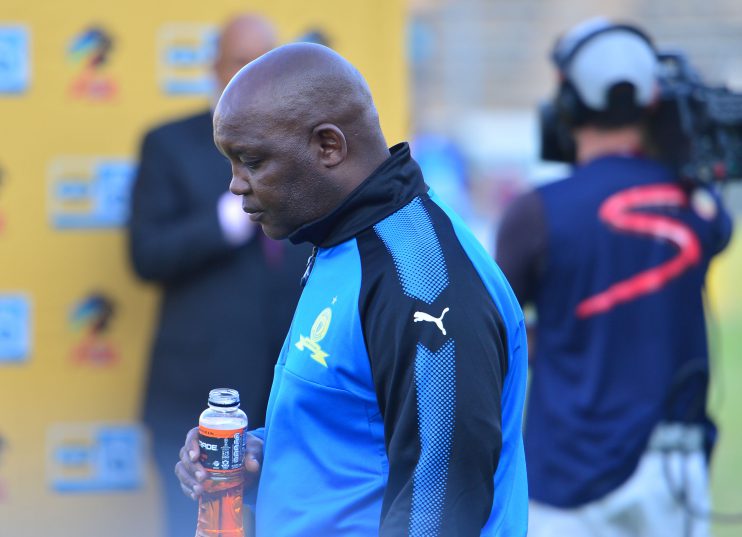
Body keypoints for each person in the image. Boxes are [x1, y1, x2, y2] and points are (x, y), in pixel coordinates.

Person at [174, 42, 529, 536]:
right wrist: (261, 455)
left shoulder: (422, 284)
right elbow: (360, 435)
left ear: (328, 146)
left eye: (251, 160)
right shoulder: (341, 240)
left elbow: (438, 514)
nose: (235, 185)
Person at [496, 18, 734, 537]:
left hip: (565, 475)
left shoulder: (536, 212)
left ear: (567, 104)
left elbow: (492, 327)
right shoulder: (699, 208)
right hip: (674, 472)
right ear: (652, 102)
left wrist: (551, 340)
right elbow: (719, 213)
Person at [127, 14, 309, 537]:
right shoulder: (169, 144)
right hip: (193, 397)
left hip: (285, 396)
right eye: (240, 62)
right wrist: (219, 226)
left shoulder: (300, 155)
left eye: (265, 64)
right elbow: (145, 256)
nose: (253, 76)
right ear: (212, 67)